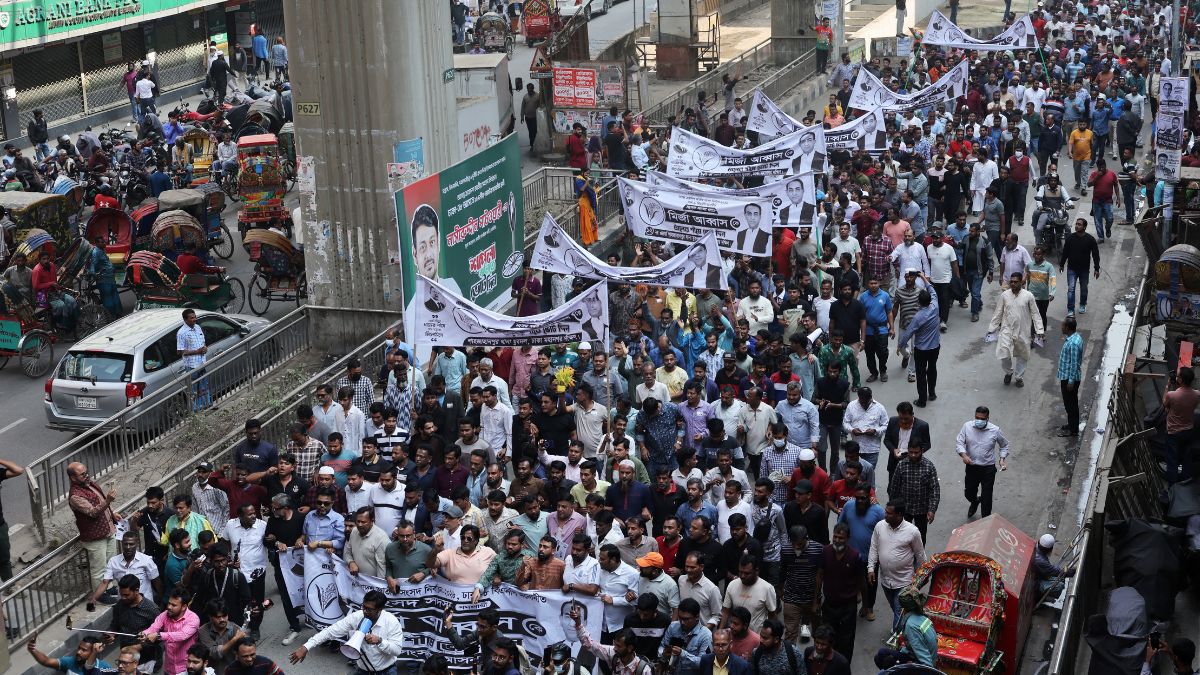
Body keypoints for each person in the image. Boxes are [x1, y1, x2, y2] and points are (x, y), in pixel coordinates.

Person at [290, 589, 405, 673]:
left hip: (386, 671)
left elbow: (397, 650)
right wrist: (306, 647)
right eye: (363, 607)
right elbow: (330, 632)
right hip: (363, 670)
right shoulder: (356, 617)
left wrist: (379, 641)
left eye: (369, 609)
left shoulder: (392, 622)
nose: (365, 611)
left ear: (379, 609)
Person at [867, 500, 926, 629]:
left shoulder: (912, 531)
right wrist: (871, 568)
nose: (885, 515)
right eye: (886, 511)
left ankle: (897, 639)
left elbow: (920, 555)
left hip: (904, 582)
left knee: (898, 614)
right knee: (896, 610)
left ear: (899, 515)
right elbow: (873, 547)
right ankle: (904, 631)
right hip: (886, 581)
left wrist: (921, 578)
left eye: (889, 513)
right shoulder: (879, 526)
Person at [987, 272, 1044, 387]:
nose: (1012, 284)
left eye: (1015, 282)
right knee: (1003, 353)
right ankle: (1008, 372)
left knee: (1022, 355)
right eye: (1011, 282)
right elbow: (998, 312)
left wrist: (1040, 331)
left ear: (1021, 282)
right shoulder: (1005, 295)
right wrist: (991, 328)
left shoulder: (1028, 296)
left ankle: (1019, 377)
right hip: (1006, 329)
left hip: (1023, 330)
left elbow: (1035, 314)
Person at [956, 406, 1009, 518]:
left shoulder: (995, 430)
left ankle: (986, 521)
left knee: (987, 497)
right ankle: (974, 501)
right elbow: (959, 443)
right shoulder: (967, 427)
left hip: (988, 468)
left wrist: (1002, 459)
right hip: (972, 466)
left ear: (987, 418)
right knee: (969, 493)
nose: (979, 420)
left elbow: (1004, 445)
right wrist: (964, 455)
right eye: (977, 417)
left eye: (982, 418)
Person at [139, 587, 201, 675]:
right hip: (169, 667)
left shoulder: (193, 619)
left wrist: (158, 635)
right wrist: (145, 633)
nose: (169, 607)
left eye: (174, 605)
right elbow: (153, 627)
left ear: (184, 607)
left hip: (186, 668)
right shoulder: (165, 615)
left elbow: (182, 635)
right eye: (169, 603)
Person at [873, 587, 938, 668]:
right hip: (914, 654)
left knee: (881, 659)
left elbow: (926, 662)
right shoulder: (922, 615)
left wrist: (911, 665)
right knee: (882, 653)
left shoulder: (911, 626)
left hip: (921, 664)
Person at [1163, 367, 1200, 483]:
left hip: (1173, 433)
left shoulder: (1171, 395)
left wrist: (1167, 387)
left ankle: (1172, 488)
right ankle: (1186, 483)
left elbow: (1165, 404)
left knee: (1172, 461)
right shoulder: (1197, 394)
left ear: (1180, 380)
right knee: (1186, 459)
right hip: (1188, 430)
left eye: (1178, 376)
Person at [1060, 217, 1101, 317]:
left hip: (1084, 270)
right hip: (1071, 269)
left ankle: (1082, 304)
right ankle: (1070, 309)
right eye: (1076, 224)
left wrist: (1096, 268)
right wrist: (1062, 264)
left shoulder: (1090, 240)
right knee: (1071, 289)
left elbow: (1095, 254)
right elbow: (1065, 252)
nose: (1077, 226)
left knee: (1084, 289)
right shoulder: (1070, 238)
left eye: (1079, 224)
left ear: (1085, 227)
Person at [1058, 316, 1085, 438]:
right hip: (1068, 376)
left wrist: (1070, 381)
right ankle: (1071, 424)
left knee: (1071, 404)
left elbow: (1074, 364)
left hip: (1069, 378)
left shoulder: (1073, 343)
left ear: (1068, 328)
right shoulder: (1074, 338)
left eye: (1063, 325)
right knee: (1070, 403)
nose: (1061, 327)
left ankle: (1073, 430)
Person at [576, 167, 598, 246]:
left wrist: (595, 185)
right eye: (586, 173)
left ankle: (594, 238)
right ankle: (588, 240)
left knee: (593, 221)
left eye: (588, 173)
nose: (587, 175)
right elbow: (582, 189)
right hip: (584, 203)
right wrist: (587, 181)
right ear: (582, 172)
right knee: (587, 223)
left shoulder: (586, 179)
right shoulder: (579, 180)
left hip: (589, 203)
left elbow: (593, 189)